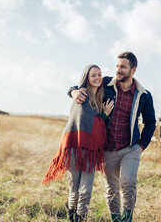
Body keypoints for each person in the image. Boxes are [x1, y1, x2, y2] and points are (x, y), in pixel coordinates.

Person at [69, 52, 156, 222]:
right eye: (117, 66)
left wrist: (141, 145)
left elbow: (150, 122)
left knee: (128, 183)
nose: (118, 70)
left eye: (123, 67)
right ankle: (116, 219)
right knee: (111, 188)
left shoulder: (144, 95)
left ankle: (126, 219)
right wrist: (73, 91)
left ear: (133, 70)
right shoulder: (107, 85)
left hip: (130, 148)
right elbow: (85, 82)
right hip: (108, 147)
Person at [43, 64, 114, 222]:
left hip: (90, 150)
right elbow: (88, 121)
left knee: (85, 190)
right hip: (74, 147)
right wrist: (104, 115)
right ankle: (71, 216)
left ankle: (80, 218)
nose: (97, 78)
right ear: (86, 78)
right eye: (93, 75)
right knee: (74, 189)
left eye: (99, 75)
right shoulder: (82, 94)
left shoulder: (99, 98)